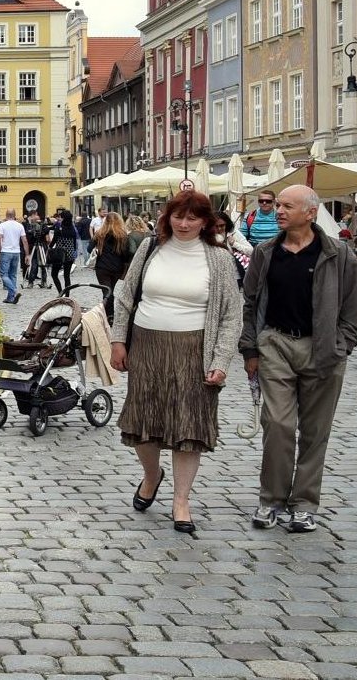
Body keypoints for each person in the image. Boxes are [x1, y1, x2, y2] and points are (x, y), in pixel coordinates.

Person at [109, 190, 242, 536]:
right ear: (166, 217)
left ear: (205, 222)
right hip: (147, 345)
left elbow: (231, 315)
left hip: (194, 349)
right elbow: (125, 298)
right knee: (143, 421)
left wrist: (222, 359)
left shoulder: (219, 258)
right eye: (177, 217)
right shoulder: (150, 248)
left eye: (192, 218)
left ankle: (181, 500)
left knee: (189, 427)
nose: (183, 224)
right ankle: (152, 475)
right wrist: (118, 341)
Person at [240, 185, 357, 533]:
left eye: (286, 206)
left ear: (310, 213)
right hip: (276, 344)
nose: (278, 210)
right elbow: (250, 304)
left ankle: (304, 505)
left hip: (323, 350)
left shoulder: (337, 254)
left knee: (315, 432)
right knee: (278, 424)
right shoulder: (266, 252)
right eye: (276, 204)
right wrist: (251, 348)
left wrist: (342, 345)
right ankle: (271, 500)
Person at [93, 211, 135, 304]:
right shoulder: (123, 236)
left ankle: (108, 314)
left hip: (102, 267)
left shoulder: (99, 234)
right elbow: (126, 254)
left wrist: (99, 247)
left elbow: (88, 249)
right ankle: (110, 315)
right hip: (117, 267)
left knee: (106, 292)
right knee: (110, 290)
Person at [0, 208, 28, 305]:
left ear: (6, 215)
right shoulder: (20, 225)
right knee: (13, 275)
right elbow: (24, 241)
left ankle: (14, 291)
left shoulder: (2, 225)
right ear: (15, 215)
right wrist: (27, 254)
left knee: (4, 275)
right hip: (16, 252)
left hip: (6, 251)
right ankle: (10, 298)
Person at [213, 213, 253, 286]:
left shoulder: (234, 233)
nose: (219, 229)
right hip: (216, 277)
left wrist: (234, 244)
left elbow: (251, 251)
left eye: (222, 225)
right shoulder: (209, 236)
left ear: (227, 224)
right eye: (216, 226)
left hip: (235, 276)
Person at [48, 209, 79, 293]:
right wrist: (74, 251)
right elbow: (74, 241)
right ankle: (67, 295)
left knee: (54, 274)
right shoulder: (73, 228)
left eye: (61, 217)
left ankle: (60, 292)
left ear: (63, 218)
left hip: (59, 254)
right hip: (69, 254)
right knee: (67, 276)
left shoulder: (59, 227)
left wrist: (50, 247)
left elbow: (54, 239)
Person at [23, 211, 50, 288]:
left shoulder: (43, 226)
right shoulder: (29, 226)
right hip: (34, 246)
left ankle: (43, 281)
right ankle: (32, 282)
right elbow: (29, 236)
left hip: (41, 246)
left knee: (43, 264)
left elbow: (46, 235)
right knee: (35, 265)